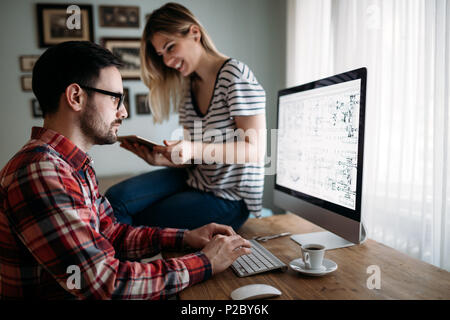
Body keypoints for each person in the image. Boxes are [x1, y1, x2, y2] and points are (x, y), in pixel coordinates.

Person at [0, 41, 251, 300]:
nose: (124, 111)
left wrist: (186, 237)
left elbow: (110, 233)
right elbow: (106, 283)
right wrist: (205, 262)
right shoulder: (40, 172)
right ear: (76, 97)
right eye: (115, 98)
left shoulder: (70, 165)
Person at [105, 2, 267, 231]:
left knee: (144, 217)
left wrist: (192, 148)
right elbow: (198, 158)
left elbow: (255, 150)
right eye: (162, 55)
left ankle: (121, 266)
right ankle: (117, 265)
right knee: (115, 198)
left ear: (194, 33)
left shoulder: (235, 75)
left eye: (170, 48)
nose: (168, 62)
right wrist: (163, 159)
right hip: (195, 179)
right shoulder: (188, 86)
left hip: (230, 198)